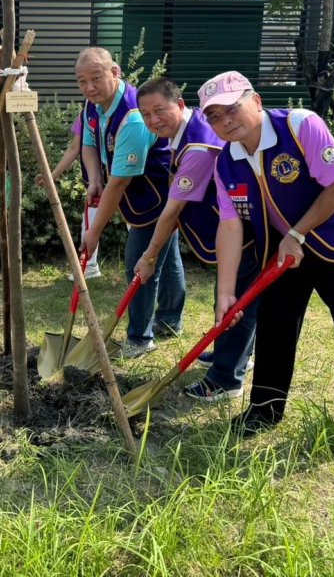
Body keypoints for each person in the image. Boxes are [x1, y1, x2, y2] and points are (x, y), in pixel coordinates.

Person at [202, 70, 334, 466]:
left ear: (255, 101)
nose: (225, 121)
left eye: (231, 108)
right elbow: (230, 225)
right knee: (275, 327)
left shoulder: (301, 124)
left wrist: (299, 233)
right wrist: (225, 293)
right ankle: (265, 410)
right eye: (214, 117)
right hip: (286, 254)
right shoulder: (226, 164)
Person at [134, 77, 258, 402]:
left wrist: (149, 256)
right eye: (145, 115)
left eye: (159, 110)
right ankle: (227, 354)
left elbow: (173, 209)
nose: (153, 120)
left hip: (240, 232)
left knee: (236, 303)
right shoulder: (183, 133)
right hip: (227, 229)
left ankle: (226, 379)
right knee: (232, 295)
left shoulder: (199, 146)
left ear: (179, 104)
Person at [77, 47, 186, 358]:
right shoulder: (93, 104)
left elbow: (120, 182)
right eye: (82, 81)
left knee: (141, 261)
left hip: (155, 196)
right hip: (135, 192)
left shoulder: (134, 117)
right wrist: (95, 175)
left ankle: (140, 338)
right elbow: (88, 141)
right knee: (168, 257)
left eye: (95, 78)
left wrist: (93, 232)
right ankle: (170, 322)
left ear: (115, 72)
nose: (89, 87)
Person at [35, 107, 101, 279]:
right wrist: (52, 176)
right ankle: (89, 264)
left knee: (135, 221)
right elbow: (75, 147)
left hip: (124, 176)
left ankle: (146, 262)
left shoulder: (128, 108)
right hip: (98, 181)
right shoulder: (88, 112)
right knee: (91, 221)